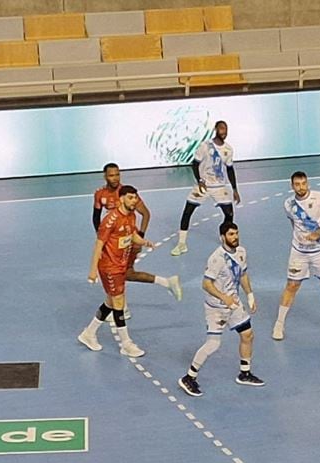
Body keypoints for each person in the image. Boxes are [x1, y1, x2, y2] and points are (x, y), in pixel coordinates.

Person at [179, 222, 263, 396]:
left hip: (234, 304)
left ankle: (244, 373)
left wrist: (250, 295)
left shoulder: (241, 252)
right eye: (231, 234)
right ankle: (189, 377)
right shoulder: (216, 259)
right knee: (213, 344)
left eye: (236, 233)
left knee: (247, 335)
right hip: (216, 307)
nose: (235, 237)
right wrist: (223, 297)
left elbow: (243, 274)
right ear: (222, 237)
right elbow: (206, 284)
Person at [79, 186, 156, 357]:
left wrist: (144, 242)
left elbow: (131, 235)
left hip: (120, 265)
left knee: (111, 303)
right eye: (130, 198)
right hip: (109, 267)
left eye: (135, 198)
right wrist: (92, 271)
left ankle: (88, 333)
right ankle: (126, 344)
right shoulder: (110, 220)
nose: (134, 201)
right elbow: (99, 245)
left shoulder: (131, 216)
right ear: (121, 199)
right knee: (119, 303)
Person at [93, 165, 181, 311]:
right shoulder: (100, 194)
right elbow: (96, 217)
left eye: (117, 175)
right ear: (105, 176)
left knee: (121, 272)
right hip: (114, 242)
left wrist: (140, 236)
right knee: (124, 273)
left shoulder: (128, 194)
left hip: (127, 242)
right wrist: (103, 238)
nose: (115, 178)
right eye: (111, 175)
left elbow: (146, 214)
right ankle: (166, 283)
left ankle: (120, 307)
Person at [272, 171, 320, 341]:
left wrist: (319, 232)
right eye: (297, 184)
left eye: (303, 183)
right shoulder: (288, 204)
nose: (301, 187)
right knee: (292, 286)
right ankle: (279, 324)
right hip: (299, 252)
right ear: (292, 186)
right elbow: (294, 223)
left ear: (307, 183)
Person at [172, 121, 240, 256]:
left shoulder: (228, 149)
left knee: (229, 214)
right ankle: (181, 244)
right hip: (203, 185)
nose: (224, 132)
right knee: (187, 212)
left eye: (226, 130)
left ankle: (225, 240)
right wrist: (200, 181)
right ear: (216, 129)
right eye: (221, 129)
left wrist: (235, 189)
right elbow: (195, 164)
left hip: (220, 186)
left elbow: (230, 169)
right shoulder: (205, 146)